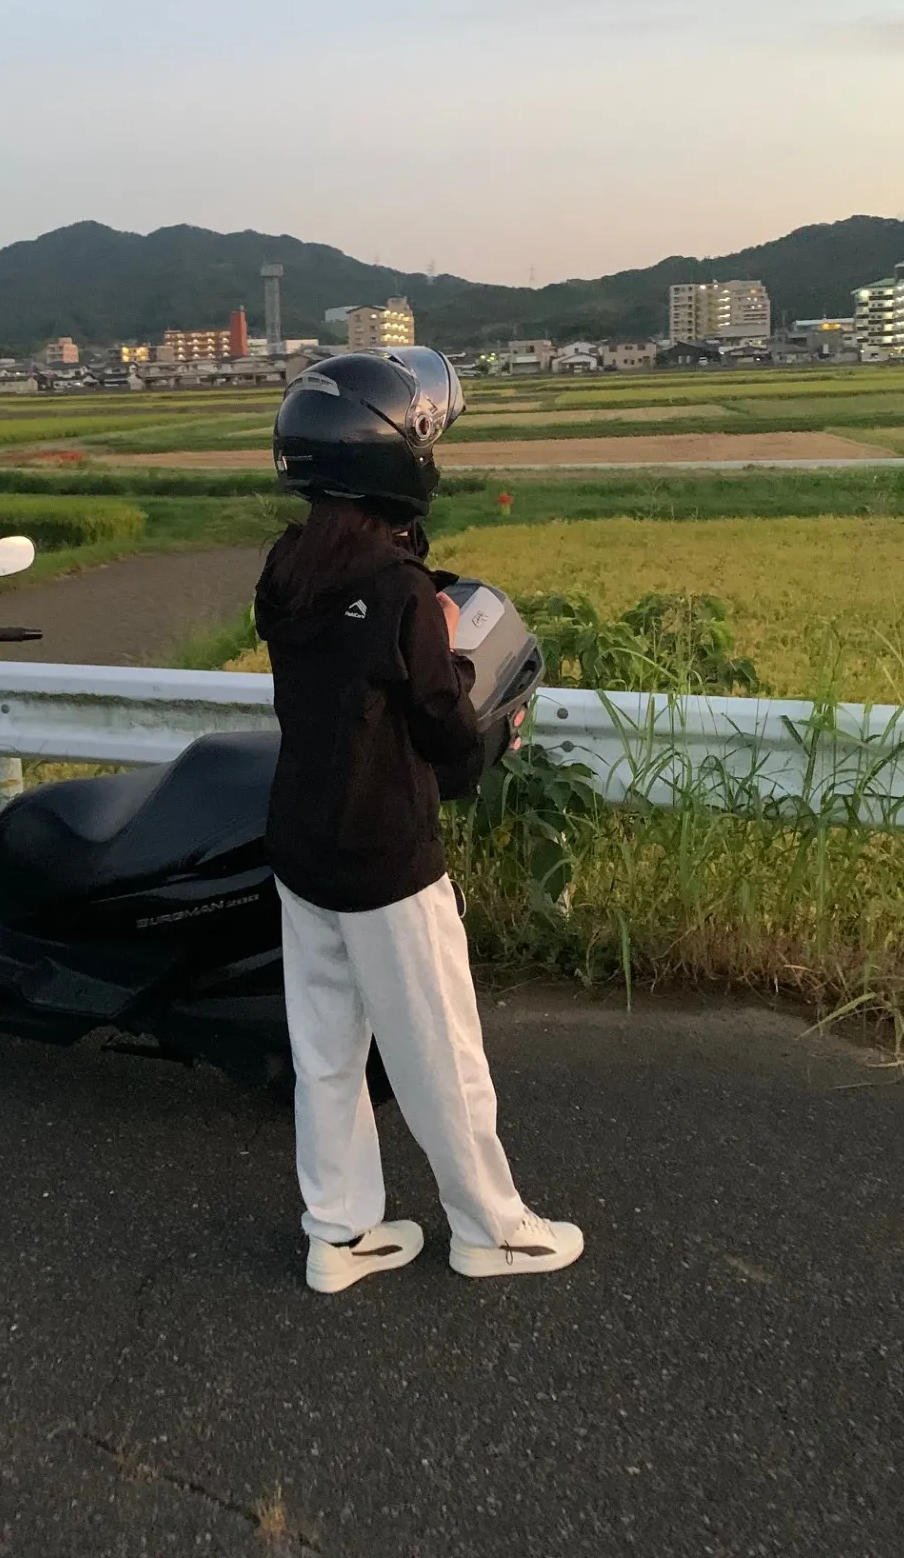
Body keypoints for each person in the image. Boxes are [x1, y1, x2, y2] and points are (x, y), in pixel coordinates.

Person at [256, 347, 584, 1294]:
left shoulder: (286, 567)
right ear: (393, 460)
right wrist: (479, 693)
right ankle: (492, 1229)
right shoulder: (403, 592)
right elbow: (444, 728)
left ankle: (340, 1233)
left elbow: (346, 655)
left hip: (303, 847)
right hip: (386, 857)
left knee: (327, 1053)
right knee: (442, 1050)